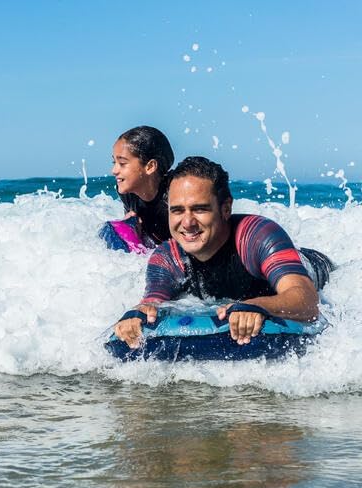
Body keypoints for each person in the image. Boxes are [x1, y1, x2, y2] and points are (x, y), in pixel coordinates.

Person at [114, 156, 333, 348]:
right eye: (177, 211)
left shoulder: (256, 236)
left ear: (226, 208)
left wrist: (256, 305)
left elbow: (308, 301)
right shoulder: (166, 258)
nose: (187, 223)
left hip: (310, 267)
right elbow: (153, 303)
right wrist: (138, 315)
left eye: (200, 209)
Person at [110, 125, 176, 245]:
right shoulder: (127, 193)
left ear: (150, 167)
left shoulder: (175, 195)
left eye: (122, 163)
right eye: (114, 162)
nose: (114, 171)